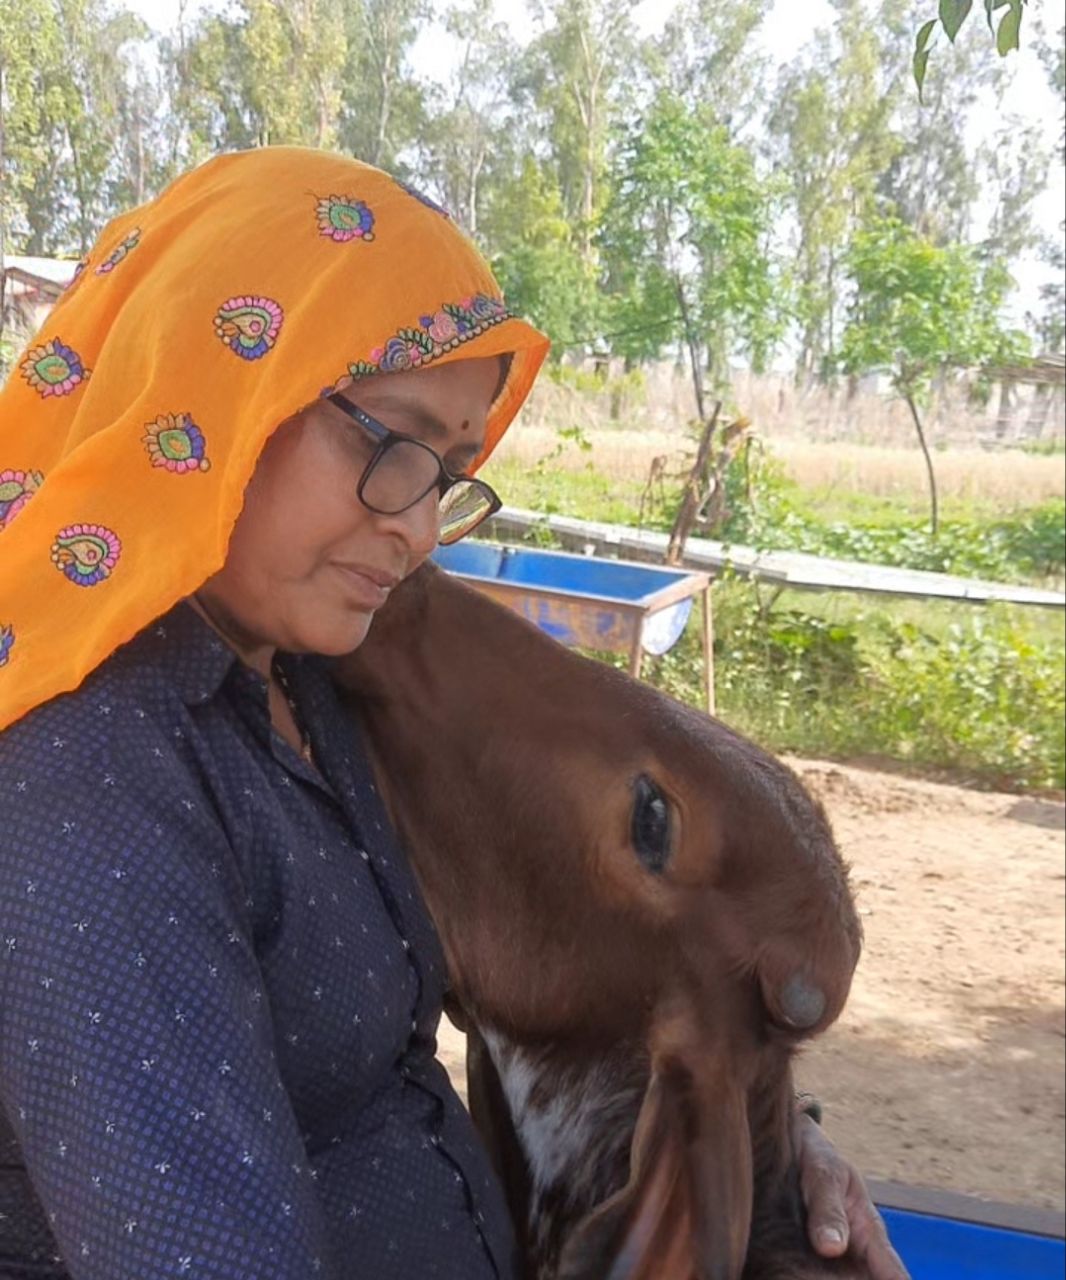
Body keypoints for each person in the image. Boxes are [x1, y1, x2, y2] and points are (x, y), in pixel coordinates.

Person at [0, 147, 907, 1279]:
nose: (420, 527)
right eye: (388, 440)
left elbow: (551, 934)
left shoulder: (316, 676)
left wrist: (776, 1148)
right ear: (208, 384)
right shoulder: (85, 770)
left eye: (449, 467)